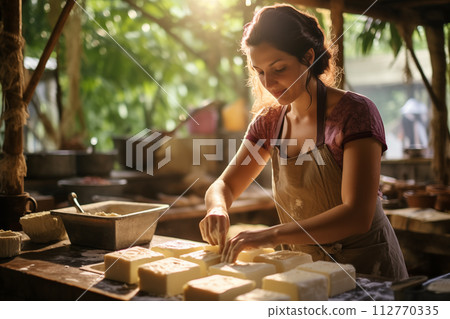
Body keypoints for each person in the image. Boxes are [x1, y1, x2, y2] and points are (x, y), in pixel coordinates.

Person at [199, 4, 408, 280]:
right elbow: (224, 184)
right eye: (259, 71)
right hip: (303, 272)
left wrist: (270, 235)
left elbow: (357, 214)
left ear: (308, 57)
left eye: (279, 68)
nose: (268, 82)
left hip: (366, 270)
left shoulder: (355, 113)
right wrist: (217, 207)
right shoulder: (269, 122)